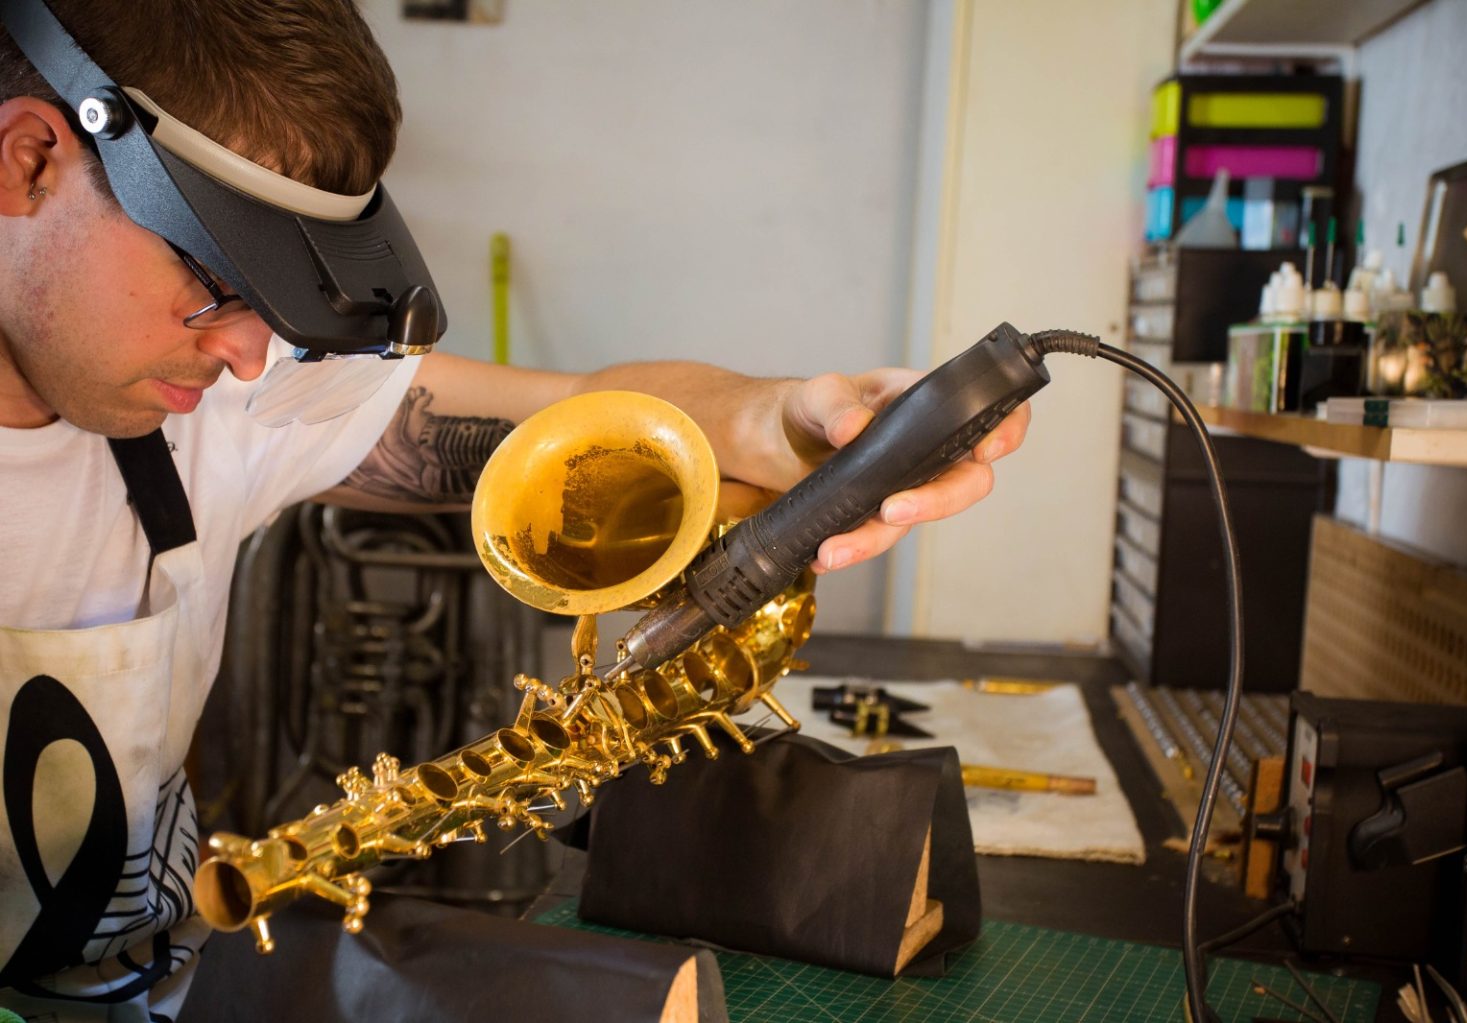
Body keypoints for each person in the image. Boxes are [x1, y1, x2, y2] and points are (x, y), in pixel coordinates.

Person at [0, 0, 1030, 1018]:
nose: (246, 353)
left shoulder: (218, 407)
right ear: (28, 161)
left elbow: (576, 416)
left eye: (272, 300)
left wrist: (792, 421)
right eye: (213, 281)